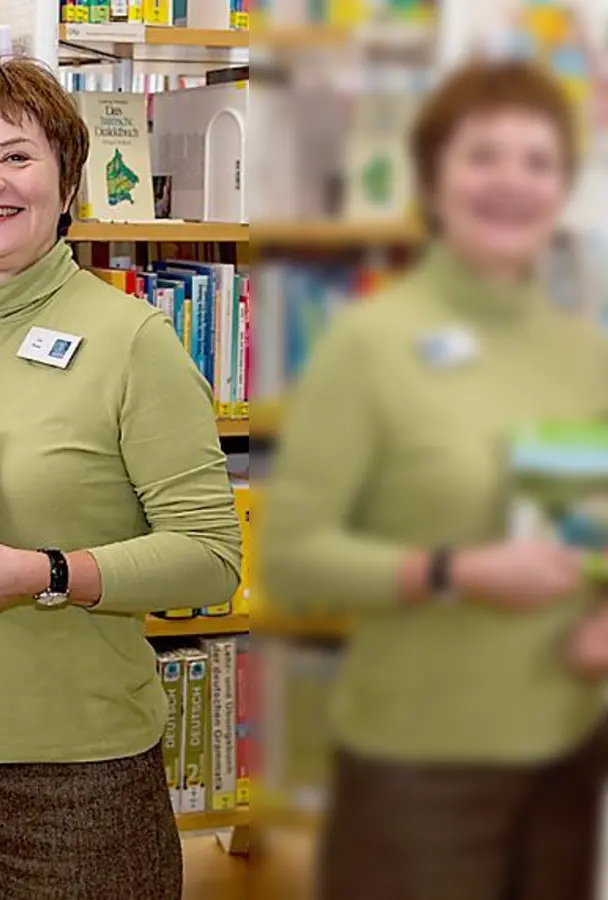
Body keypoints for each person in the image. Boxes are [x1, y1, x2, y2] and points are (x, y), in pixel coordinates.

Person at [0, 57, 243, 899]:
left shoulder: (132, 340)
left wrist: (43, 574)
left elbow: (211, 557)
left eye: (15, 156)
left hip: (79, 771)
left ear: (68, 181)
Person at [260, 59, 608, 900]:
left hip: (568, 755)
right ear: (432, 181)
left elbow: (590, 524)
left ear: (563, 187)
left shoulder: (584, 352)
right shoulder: (369, 344)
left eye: (538, 161)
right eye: (483, 155)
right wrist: (456, 572)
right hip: (417, 768)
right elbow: (292, 558)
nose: (512, 181)